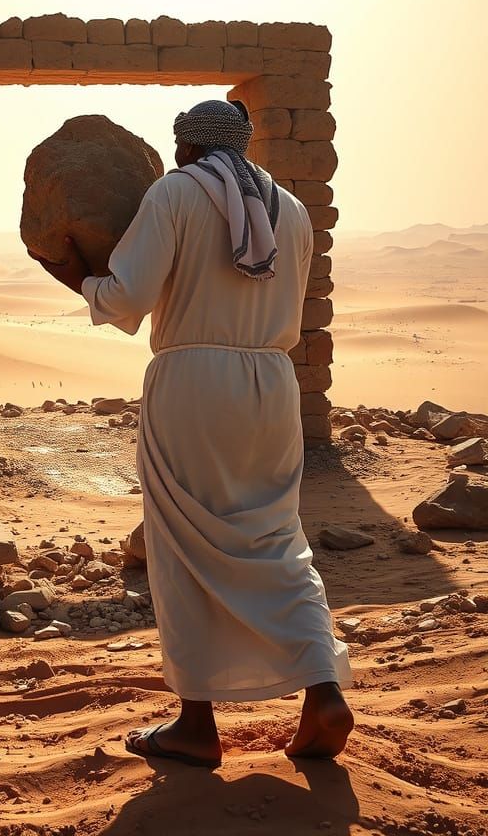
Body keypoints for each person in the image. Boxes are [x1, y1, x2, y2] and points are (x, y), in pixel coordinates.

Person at [31, 100, 352, 768]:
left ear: (183, 148)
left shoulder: (174, 194)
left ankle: (196, 726)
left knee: (180, 548)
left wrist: (69, 274)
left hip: (192, 384)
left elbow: (126, 296)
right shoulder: (290, 210)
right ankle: (323, 690)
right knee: (276, 537)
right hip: (271, 384)